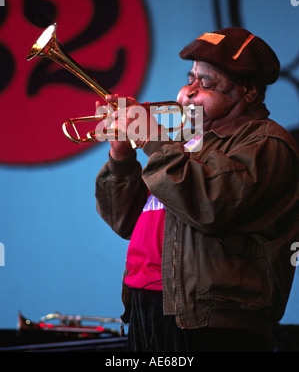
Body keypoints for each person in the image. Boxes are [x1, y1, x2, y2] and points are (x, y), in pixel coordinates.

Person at [95, 27, 299, 352]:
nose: (188, 91)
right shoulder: (183, 145)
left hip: (212, 320)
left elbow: (211, 205)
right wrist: (121, 156)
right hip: (147, 305)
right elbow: (123, 221)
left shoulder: (266, 142)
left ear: (247, 92)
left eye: (206, 83)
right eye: (190, 77)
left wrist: (153, 139)